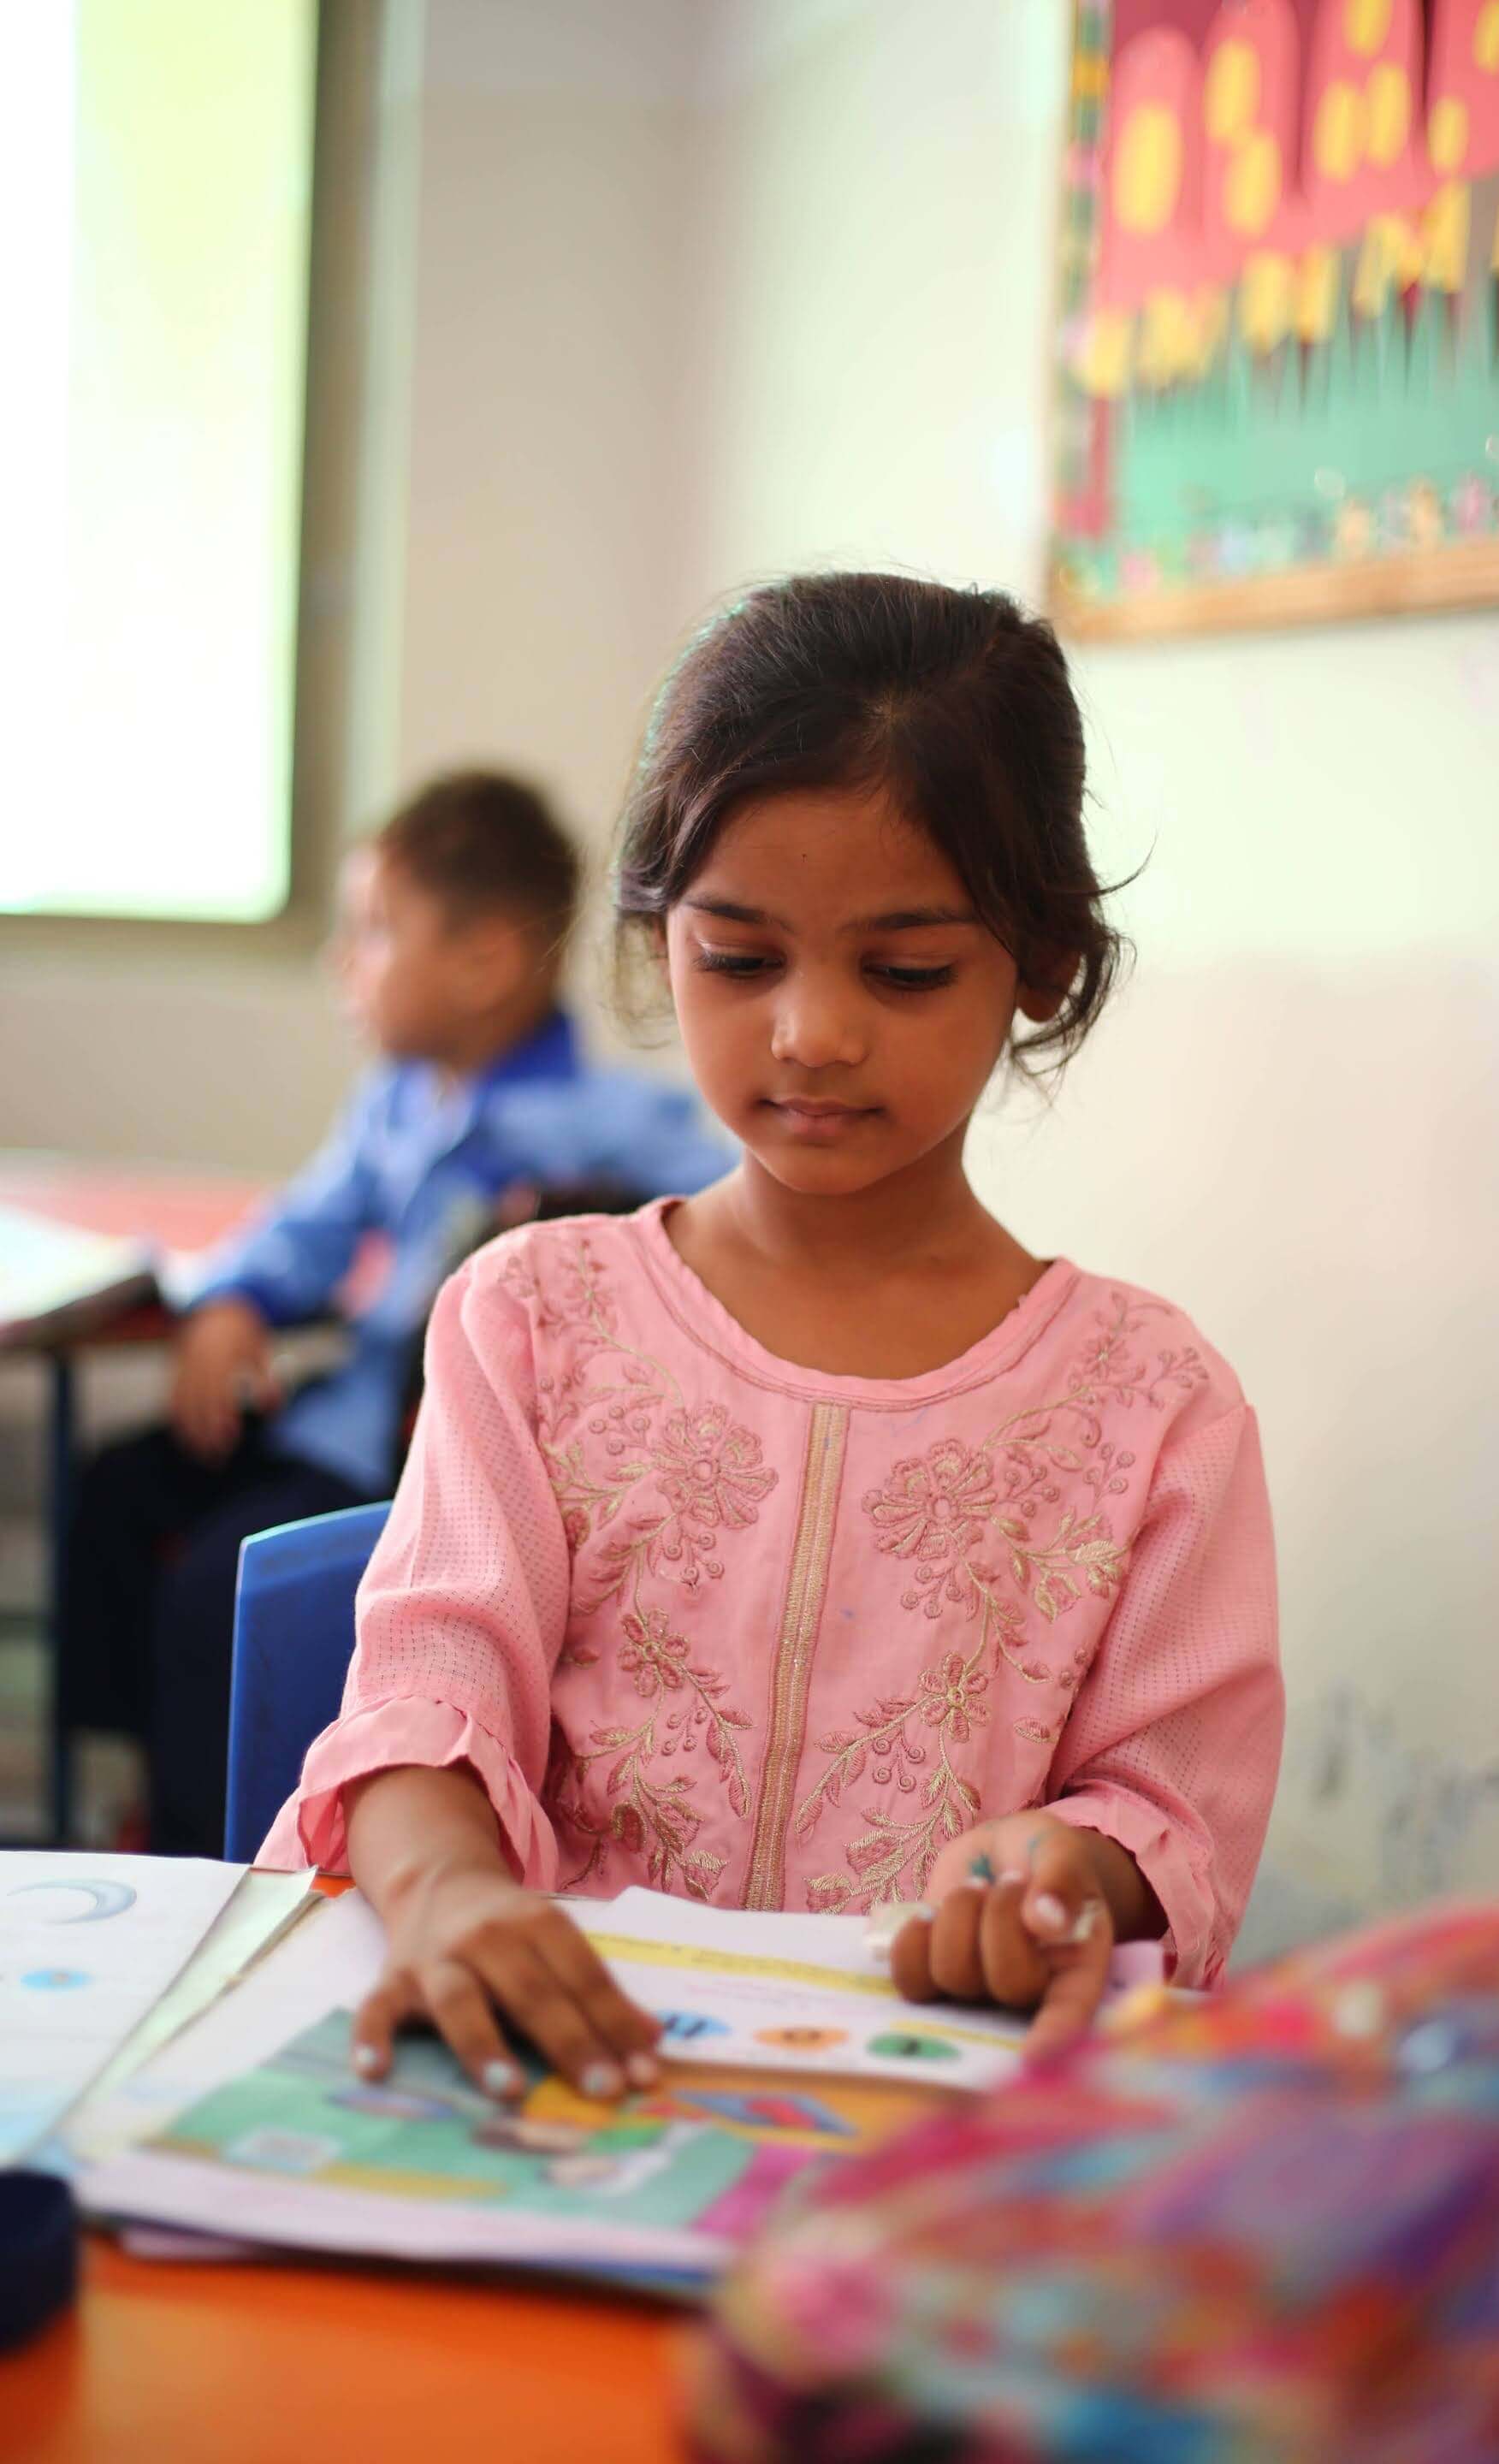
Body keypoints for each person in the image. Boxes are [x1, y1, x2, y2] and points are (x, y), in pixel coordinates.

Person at [259, 577, 1283, 2106]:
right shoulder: (536, 1319)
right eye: (741, 959)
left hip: (916, 2141)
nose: (811, 1032)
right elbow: (427, 1705)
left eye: (905, 969)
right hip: (544, 2090)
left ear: (1044, 962)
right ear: (659, 938)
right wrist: (456, 1896)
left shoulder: (1153, 1407)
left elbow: (1171, 1816)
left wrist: (1067, 1872)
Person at [59, 770, 732, 1856]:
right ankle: (127, 1788)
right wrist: (233, 1299)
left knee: (215, 1587)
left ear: (484, 959)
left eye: (373, 933)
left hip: (424, 1455)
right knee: (115, 1490)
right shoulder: (397, 1105)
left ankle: (208, 1850)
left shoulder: (606, 1125)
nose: (343, 967)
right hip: (336, 1417)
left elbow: (725, 1208)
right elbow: (307, 1227)